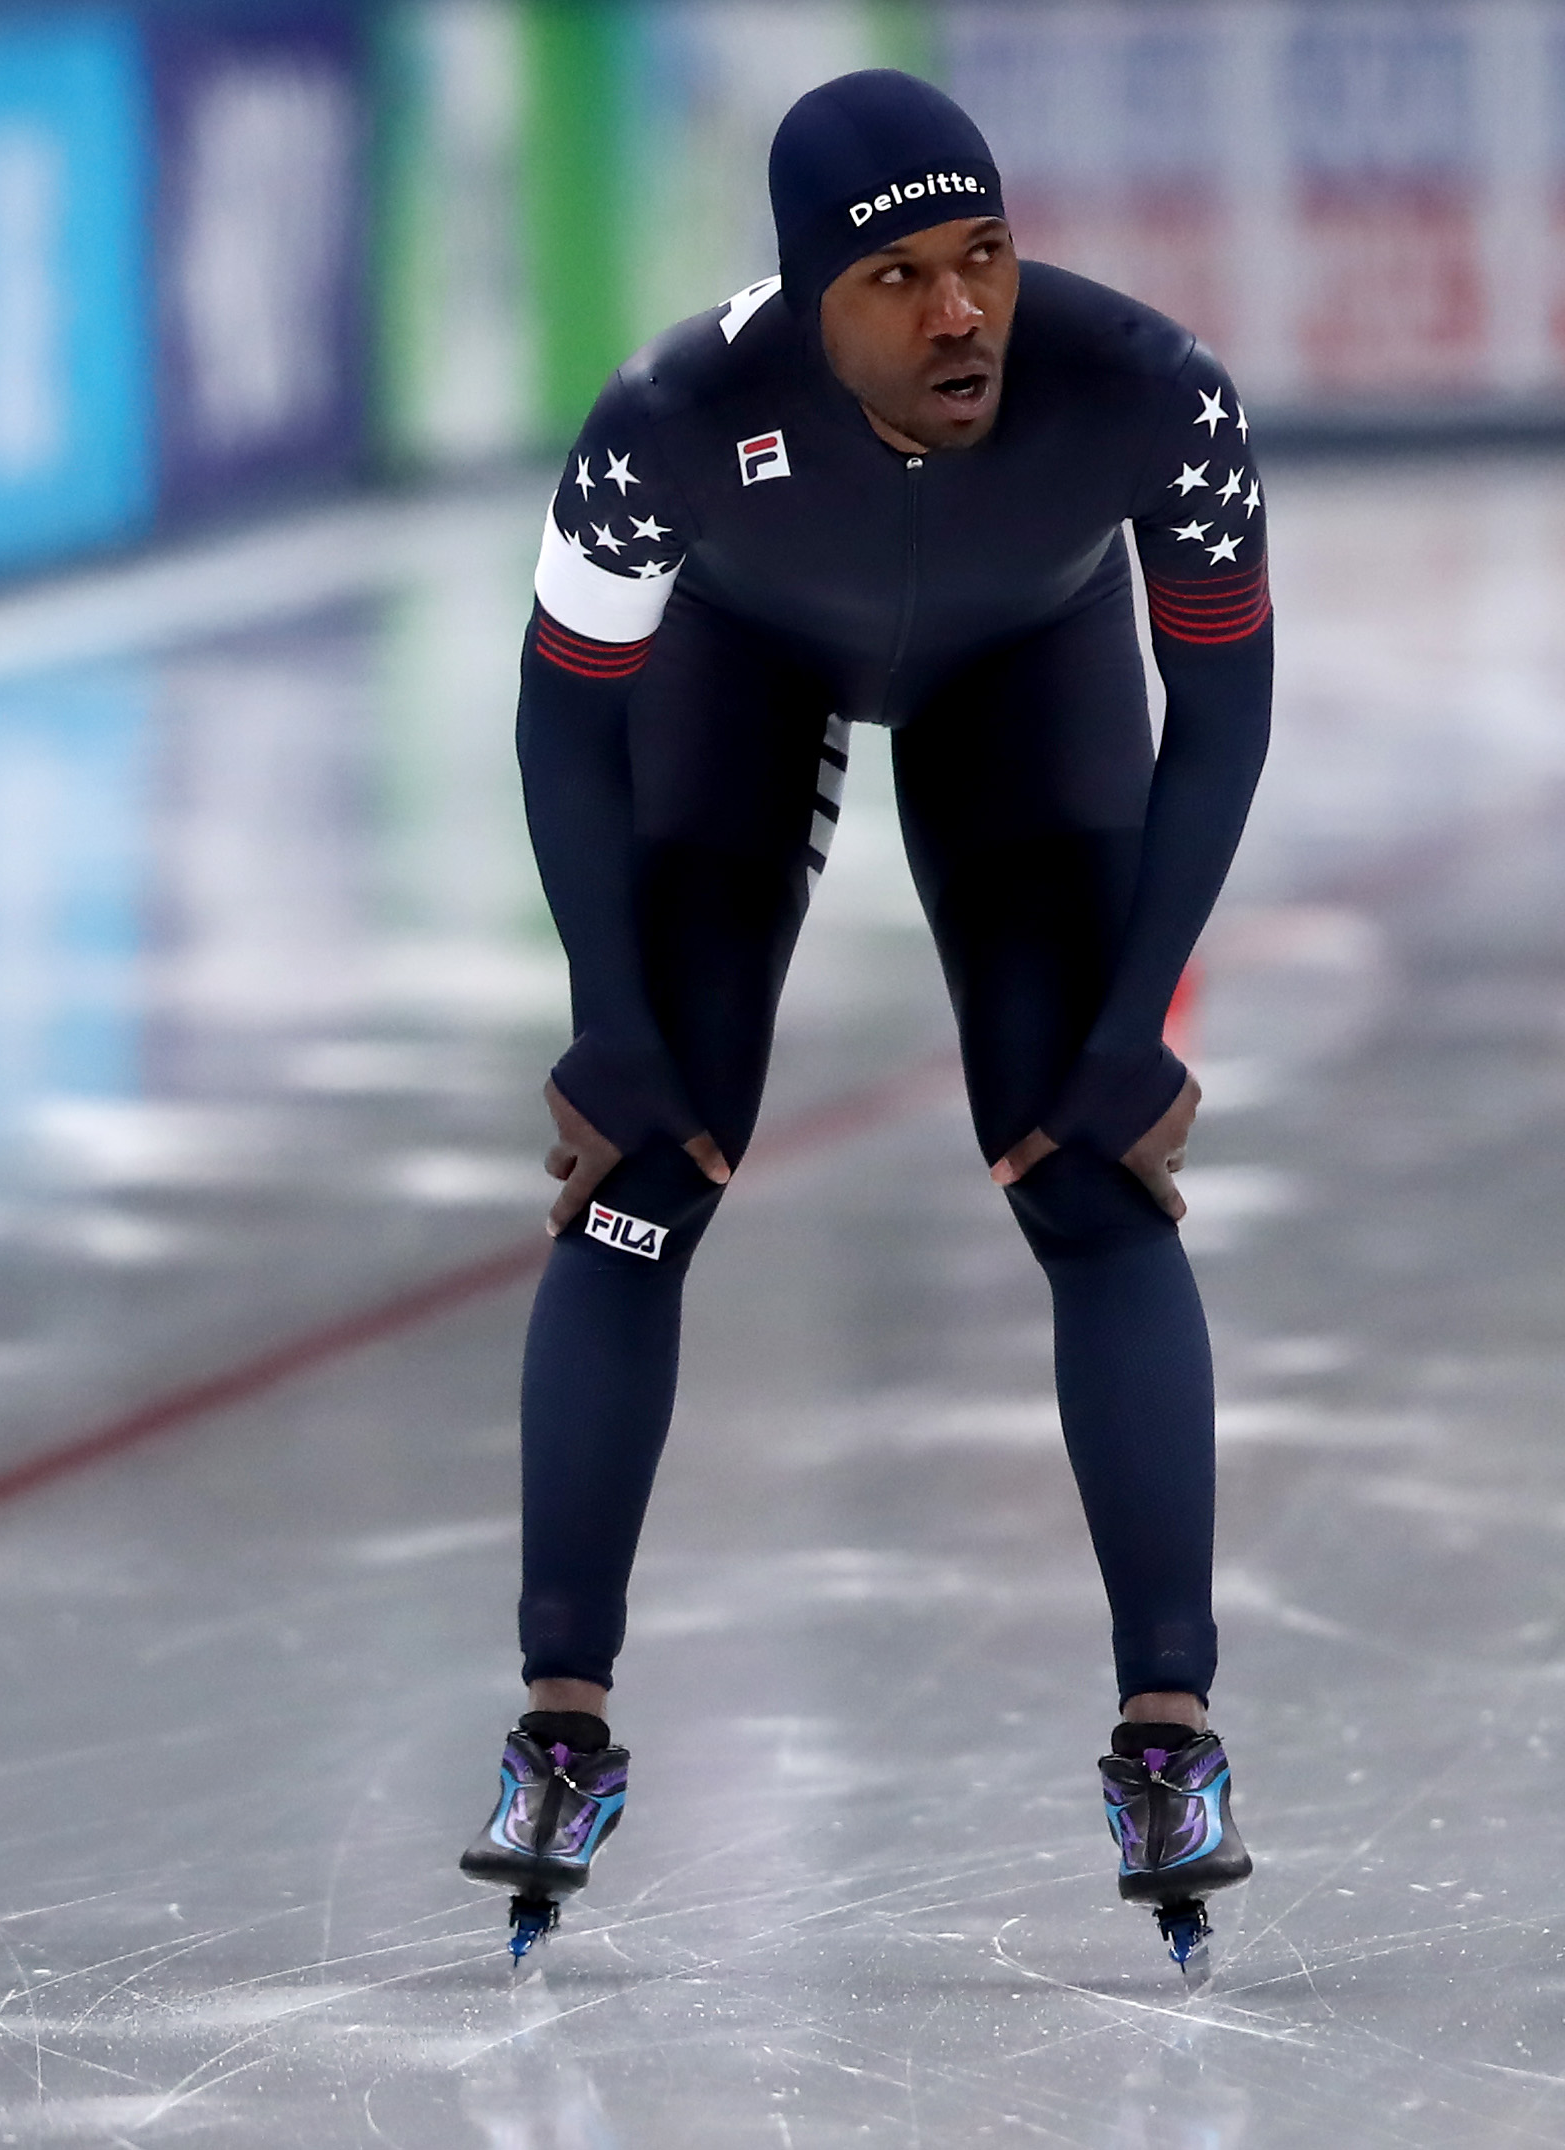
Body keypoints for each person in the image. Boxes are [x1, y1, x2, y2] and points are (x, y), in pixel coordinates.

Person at [456, 70, 1264, 1969]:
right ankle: (558, 1726)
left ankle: (1172, 1735)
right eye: (899, 276)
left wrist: (1144, 1013)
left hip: (1026, 675)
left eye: (983, 255)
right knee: (643, 1169)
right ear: (812, 296)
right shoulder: (671, 418)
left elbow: (1221, 709)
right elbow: (564, 709)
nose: (961, 312)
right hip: (739, 665)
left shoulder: (1149, 390)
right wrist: (605, 1018)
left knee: (1089, 1166)